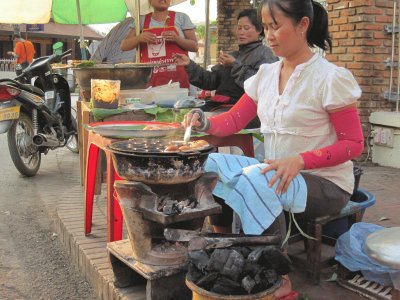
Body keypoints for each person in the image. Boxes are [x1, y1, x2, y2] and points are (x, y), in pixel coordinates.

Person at [183, 0, 364, 297]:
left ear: (303, 24)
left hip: (325, 182)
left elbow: (354, 144)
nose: (269, 35)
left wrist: (301, 161)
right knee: (209, 164)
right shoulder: (266, 75)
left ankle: (278, 281)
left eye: (276, 26)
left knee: (260, 179)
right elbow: (234, 119)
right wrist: (203, 123)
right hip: (277, 172)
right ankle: (227, 246)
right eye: (266, 27)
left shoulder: (330, 78)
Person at [174, 8, 277, 117]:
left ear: (259, 30)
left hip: (242, 112)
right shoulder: (233, 55)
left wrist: (234, 65)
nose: (241, 32)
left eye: (246, 28)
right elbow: (210, 81)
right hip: (217, 106)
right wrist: (189, 64)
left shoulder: (266, 54)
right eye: (239, 28)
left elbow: (262, 86)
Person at [120, 0, 198, 89]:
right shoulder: (140, 20)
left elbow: (194, 47)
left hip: (177, 79)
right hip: (149, 78)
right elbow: (124, 46)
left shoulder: (181, 18)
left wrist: (177, 39)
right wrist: (139, 38)